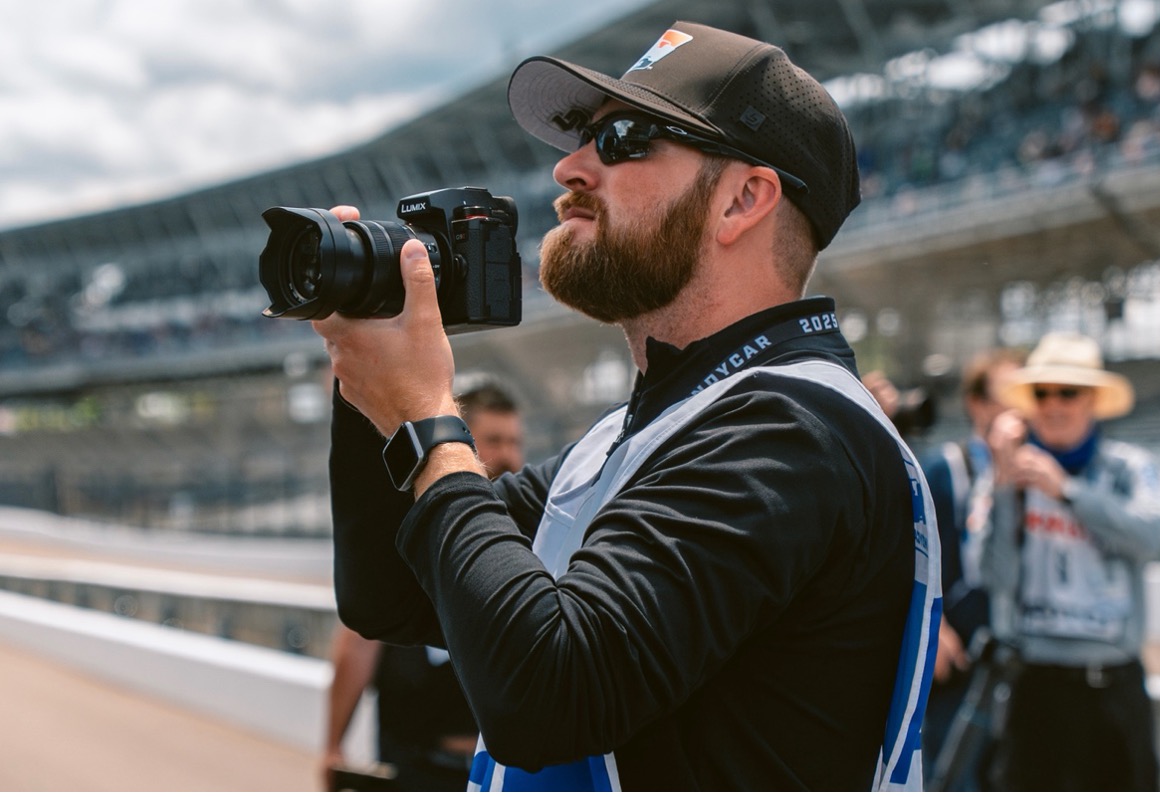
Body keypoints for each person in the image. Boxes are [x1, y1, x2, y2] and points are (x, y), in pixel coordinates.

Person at [311, 21, 941, 792]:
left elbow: (547, 695)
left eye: (626, 138)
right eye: (581, 137)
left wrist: (427, 419)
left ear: (744, 198)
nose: (570, 166)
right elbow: (391, 593)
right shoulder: (639, 435)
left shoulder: (795, 429)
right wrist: (364, 380)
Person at [981, 331, 1160, 791]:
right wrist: (1005, 486)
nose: (1053, 405)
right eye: (1041, 393)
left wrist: (1067, 491)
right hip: (1039, 685)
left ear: (1092, 401)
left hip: (1114, 687)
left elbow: (1151, 537)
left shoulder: (1127, 468)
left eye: (1068, 392)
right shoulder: (1015, 478)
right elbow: (995, 576)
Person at [321, 384, 524, 791]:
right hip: (415, 765)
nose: (507, 456)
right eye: (494, 441)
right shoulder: (412, 531)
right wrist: (332, 746)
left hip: (500, 773)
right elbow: (358, 646)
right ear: (461, 444)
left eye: (515, 442)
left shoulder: (526, 531)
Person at [919, 347, 1024, 789]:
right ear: (976, 404)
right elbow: (911, 556)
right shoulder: (947, 469)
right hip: (961, 658)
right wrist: (934, 626)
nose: (1018, 408)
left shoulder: (1040, 470)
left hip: (1023, 658)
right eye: (1006, 394)